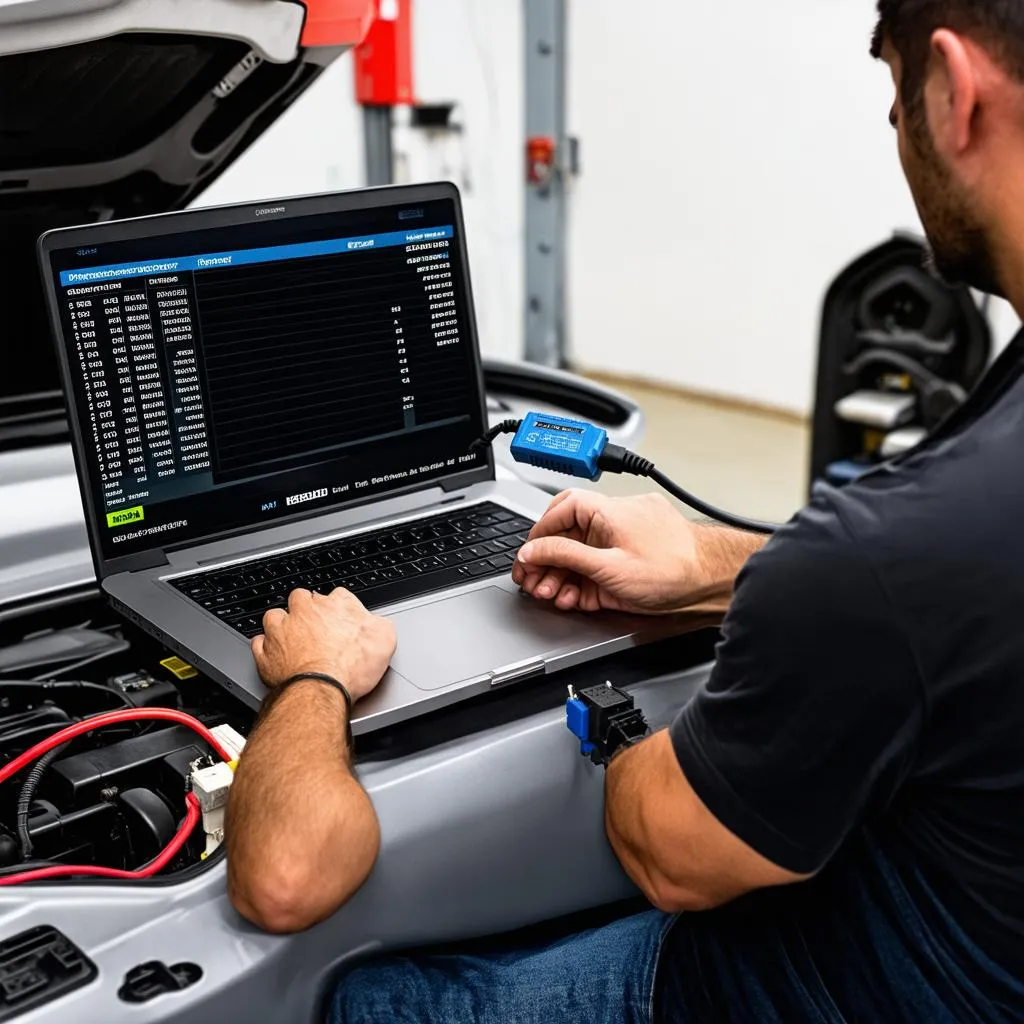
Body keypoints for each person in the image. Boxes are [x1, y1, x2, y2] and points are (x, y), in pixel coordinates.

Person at [226, 2, 1024, 1020]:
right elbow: (953, 594)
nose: (893, 132)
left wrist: (316, 681)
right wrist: (714, 562)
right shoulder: (942, 519)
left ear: (953, 91)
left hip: (806, 986)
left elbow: (662, 848)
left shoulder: (894, 548)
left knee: (366, 995)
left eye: (895, 98)